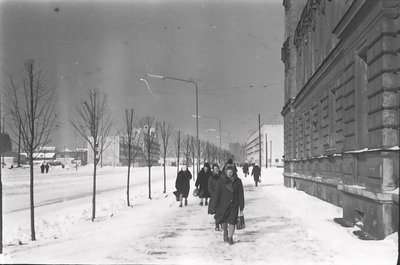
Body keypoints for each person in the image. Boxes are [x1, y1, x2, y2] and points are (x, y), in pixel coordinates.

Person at [210, 166, 244, 245]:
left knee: (232, 222)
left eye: (231, 172)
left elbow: (240, 194)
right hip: (223, 205)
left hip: (234, 205)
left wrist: (241, 206)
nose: (229, 174)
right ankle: (225, 231)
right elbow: (217, 194)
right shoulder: (220, 181)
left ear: (233, 172)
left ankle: (230, 237)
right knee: (223, 222)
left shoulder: (238, 181)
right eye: (228, 172)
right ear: (225, 172)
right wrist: (214, 206)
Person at [208, 163, 222, 231]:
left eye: (217, 169)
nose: (216, 170)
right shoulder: (211, 178)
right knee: (216, 211)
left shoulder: (222, 176)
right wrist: (213, 193)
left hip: (222, 196)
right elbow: (209, 187)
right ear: (213, 170)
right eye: (215, 169)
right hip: (215, 197)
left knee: (222, 210)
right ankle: (217, 224)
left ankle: (222, 223)